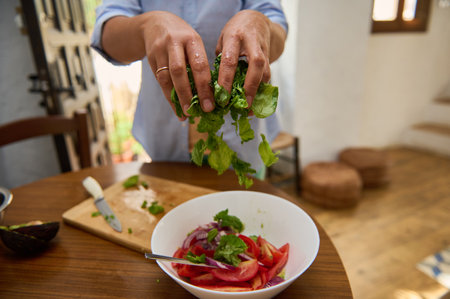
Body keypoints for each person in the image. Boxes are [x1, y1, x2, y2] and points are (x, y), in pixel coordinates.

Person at [91, 0, 288, 177]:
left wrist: (261, 23)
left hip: (243, 147)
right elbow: (106, 33)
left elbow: (276, 24)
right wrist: (146, 27)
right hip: (164, 145)